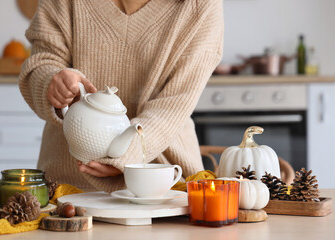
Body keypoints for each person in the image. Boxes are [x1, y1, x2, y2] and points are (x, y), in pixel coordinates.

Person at [19, 0, 224, 192]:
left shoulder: (200, 5)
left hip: (164, 187)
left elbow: (173, 104)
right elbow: (42, 62)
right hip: (67, 186)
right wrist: (51, 82)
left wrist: (127, 155)